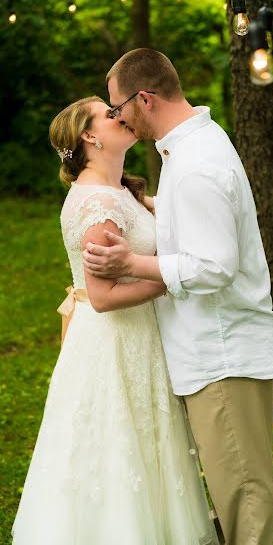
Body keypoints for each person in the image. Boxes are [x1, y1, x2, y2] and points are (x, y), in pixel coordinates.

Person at [83, 49, 273, 545]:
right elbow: (193, 231)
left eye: (118, 106)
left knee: (243, 497)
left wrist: (130, 264)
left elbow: (214, 265)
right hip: (213, 349)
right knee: (235, 488)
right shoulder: (191, 146)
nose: (117, 116)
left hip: (222, 353)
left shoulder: (195, 165)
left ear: (144, 98)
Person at [12, 95, 218, 545]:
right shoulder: (93, 203)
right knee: (114, 446)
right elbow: (103, 297)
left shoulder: (120, 191)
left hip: (139, 336)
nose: (120, 115)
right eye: (108, 114)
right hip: (113, 342)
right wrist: (174, 277)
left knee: (148, 446)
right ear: (88, 135)